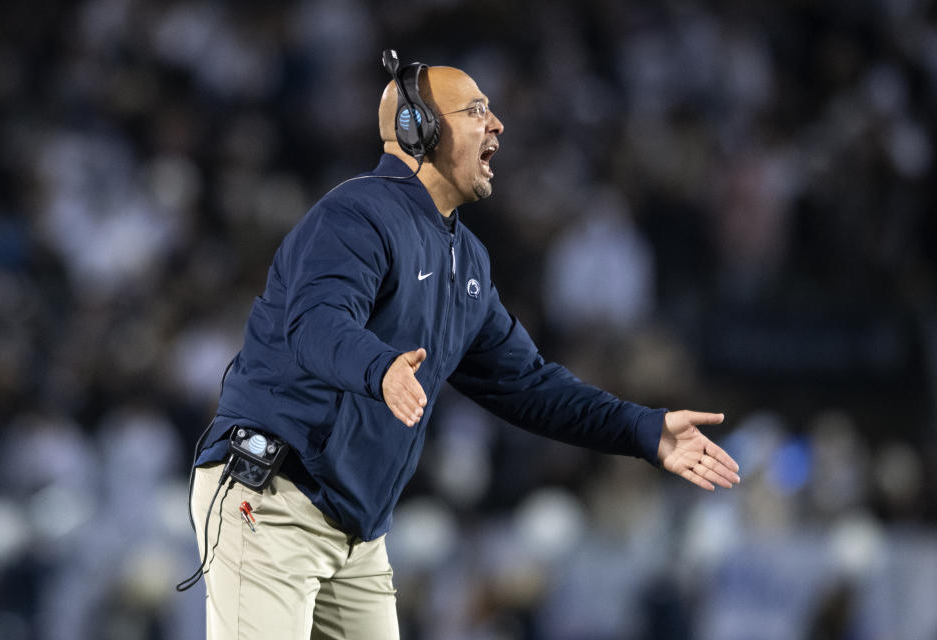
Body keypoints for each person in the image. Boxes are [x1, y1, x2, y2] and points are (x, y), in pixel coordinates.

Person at [186, 52, 740, 640]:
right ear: (417, 129)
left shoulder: (465, 258)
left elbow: (527, 384)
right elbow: (316, 322)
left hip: (354, 530)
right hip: (274, 497)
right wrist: (380, 369)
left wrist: (641, 429)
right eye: (476, 110)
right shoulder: (355, 213)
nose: (497, 123)